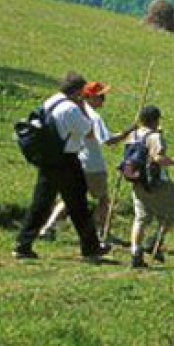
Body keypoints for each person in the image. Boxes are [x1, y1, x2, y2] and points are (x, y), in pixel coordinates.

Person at [13, 72, 110, 261]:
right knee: (78, 204)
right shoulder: (71, 109)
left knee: (41, 202)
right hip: (66, 159)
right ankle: (90, 248)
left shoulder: (51, 101)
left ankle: (22, 244)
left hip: (48, 158)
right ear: (77, 91)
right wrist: (81, 106)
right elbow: (88, 130)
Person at [39, 81, 136, 242]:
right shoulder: (94, 117)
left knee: (68, 199)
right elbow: (108, 140)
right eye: (100, 96)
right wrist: (128, 132)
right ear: (89, 97)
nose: (104, 99)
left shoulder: (76, 111)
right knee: (103, 199)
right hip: (93, 165)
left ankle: (48, 227)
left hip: (76, 161)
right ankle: (101, 232)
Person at [129, 105, 174, 268]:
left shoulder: (133, 134)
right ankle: (153, 242)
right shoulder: (155, 137)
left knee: (141, 219)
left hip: (137, 181)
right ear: (156, 120)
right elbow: (158, 158)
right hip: (157, 182)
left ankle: (135, 253)